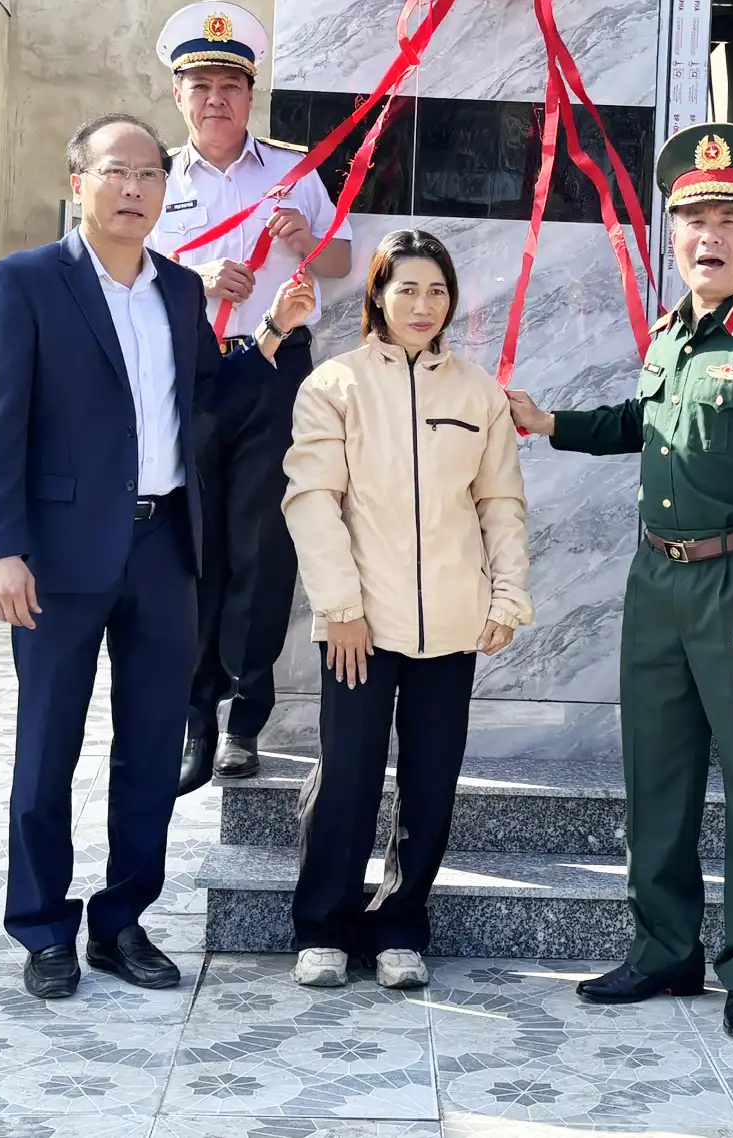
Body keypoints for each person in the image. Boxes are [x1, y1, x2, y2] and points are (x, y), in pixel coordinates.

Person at [508, 123, 733, 1041]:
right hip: (657, 582)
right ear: (674, 230)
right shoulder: (671, 332)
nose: (710, 234)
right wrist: (551, 425)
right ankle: (664, 949)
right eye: (694, 216)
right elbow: (643, 423)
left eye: (731, 217)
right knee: (656, 776)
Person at [0, 111, 316, 1000]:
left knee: (152, 743)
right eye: (116, 173)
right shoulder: (26, 282)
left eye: (148, 177)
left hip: (165, 548)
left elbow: (207, 396)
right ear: (78, 181)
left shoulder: (174, 289)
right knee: (47, 745)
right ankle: (43, 926)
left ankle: (122, 920)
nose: (134, 190)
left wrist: (271, 334)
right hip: (55, 557)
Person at [281, 230, 533, 991]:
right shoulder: (335, 385)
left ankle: (399, 924)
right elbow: (311, 500)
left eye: (437, 291)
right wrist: (341, 609)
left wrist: (508, 595)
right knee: (349, 778)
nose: (422, 305)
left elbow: (500, 503)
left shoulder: (477, 393)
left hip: (451, 624)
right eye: (407, 290)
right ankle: (323, 925)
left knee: (430, 783)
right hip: (359, 622)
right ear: (378, 297)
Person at [146, 0, 354, 795]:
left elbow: (339, 263)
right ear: (179, 96)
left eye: (230, 85)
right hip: (192, 374)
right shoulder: (154, 177)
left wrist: (304, 242)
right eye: (200, 85)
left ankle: (245, 720)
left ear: (251, 92)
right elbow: (125, 273)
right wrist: (192, 280)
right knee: (196, 544)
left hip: (274, 372)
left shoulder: (294, 169)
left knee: (263, 543)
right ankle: (195, 716)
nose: (215, 100)